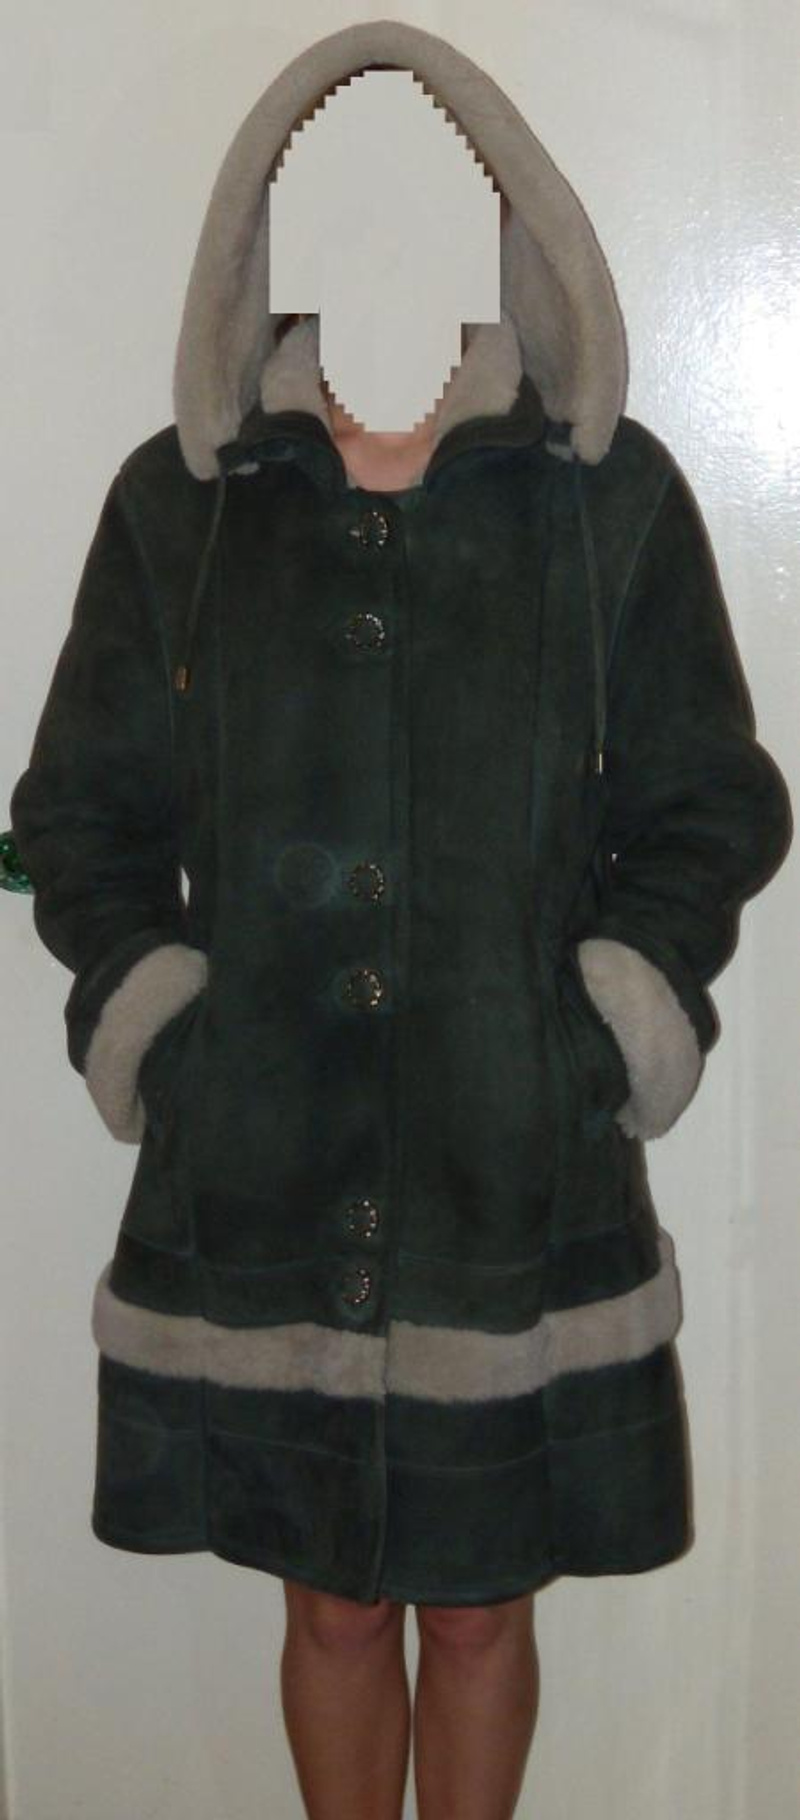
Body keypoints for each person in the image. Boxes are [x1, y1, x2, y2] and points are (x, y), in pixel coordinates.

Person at [8, 20, 792, 1820]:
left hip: (511, 1165)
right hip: (262, 1164)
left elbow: (709, 799)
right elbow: (80, 814)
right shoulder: (183, 506)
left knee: (487, 1606)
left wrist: (606, 1016)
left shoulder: (601, 499)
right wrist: (161, 1027)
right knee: (335, 1604)